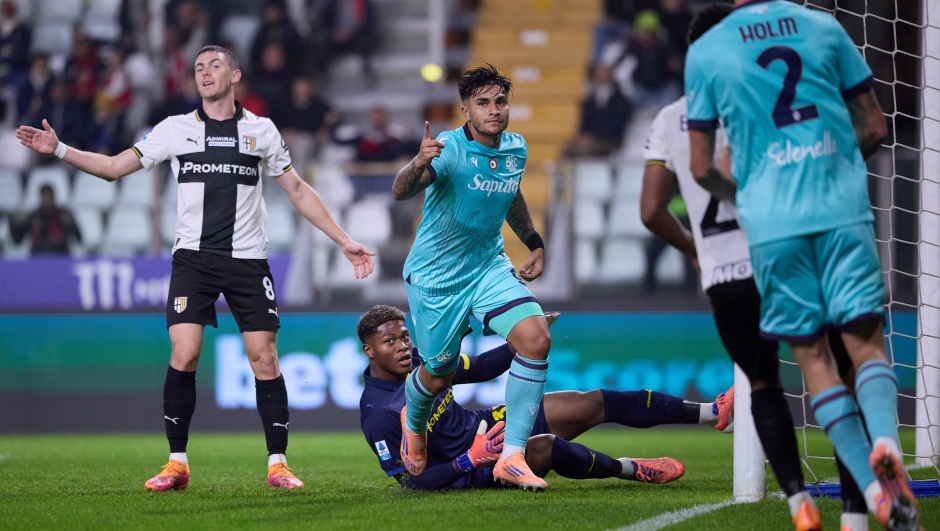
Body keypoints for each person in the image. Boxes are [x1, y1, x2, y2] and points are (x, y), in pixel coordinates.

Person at [15, 45, 376, 492]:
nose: (205, 73)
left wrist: (344, 241)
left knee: (264, 358)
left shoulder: (261, 131)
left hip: (247, 261)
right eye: (199, 67)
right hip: (193, 261)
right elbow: (112, 168)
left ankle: (278, 463)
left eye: (215, 65)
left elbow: (298, 190)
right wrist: (60, 150)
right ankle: (177, 462)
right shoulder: (174, 130)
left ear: (236, 74)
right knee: (183, 354)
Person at [685, 1, 918, 530]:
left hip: (772, 225)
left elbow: (703, 167)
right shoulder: (824, 26)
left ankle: (878, 495)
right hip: (841, 210)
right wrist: (832, 169)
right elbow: (876, 127)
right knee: (865, 344)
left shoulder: (708, 48)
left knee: (813, 357)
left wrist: (748, 196)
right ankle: (885, 443)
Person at [639, 7, 869, 531]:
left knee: (761, 385)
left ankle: (796, 501)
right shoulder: (761, 98)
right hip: (788, 252)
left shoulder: (668, 119)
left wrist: (697, 249)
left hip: (725, 278)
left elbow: (651, 211)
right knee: (841, 374)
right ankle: (855, 513)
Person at [358, 305, 733, 490]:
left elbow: (483, 369)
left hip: (487, 423)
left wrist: (525, 338)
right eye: (390, 342)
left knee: (591, 401)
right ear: (369, 351)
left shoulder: (423, 364)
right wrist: (469, 460)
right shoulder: (378, 414)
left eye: (405, 336)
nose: (404, 347)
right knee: (547, 448)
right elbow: (410, 482)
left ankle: (711, 413)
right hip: (473, 467)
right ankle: (631, 468)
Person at [391, 64, 553, 490]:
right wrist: (417, 162)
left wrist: (533, 240)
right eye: (482, 103)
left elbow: (511, 192)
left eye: (500, 101)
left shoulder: (515, 149)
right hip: (435, 278)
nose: (493, 110)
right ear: (467, 112)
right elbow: (401, 190)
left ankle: (512, 456)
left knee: (536, 338)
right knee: (440, 373)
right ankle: (415, 417)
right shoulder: (449, 148)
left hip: (487, 266)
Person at [9, 184, 82, 255]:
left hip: (59, 254)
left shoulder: (63, 214)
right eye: (44, 196)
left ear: (54, 197)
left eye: (49, 196)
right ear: (40, 198)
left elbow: (79, 238)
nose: (47, 199)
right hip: (38, 256)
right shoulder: (34, 216)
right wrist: (16, 224)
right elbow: (18, 240)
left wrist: (71, 225)